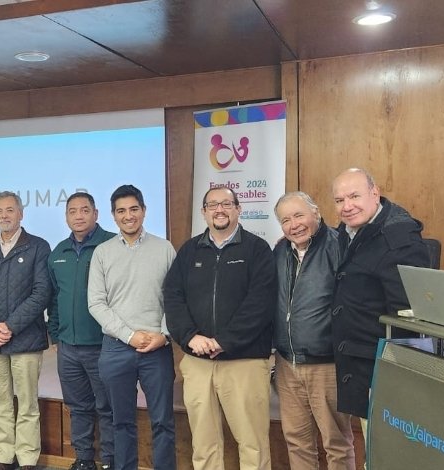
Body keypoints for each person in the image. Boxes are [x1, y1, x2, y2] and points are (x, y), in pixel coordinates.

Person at [163, 186, 276, 470]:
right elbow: (173, 298)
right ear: (204, 212)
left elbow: (260, 303)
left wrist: (225, 341)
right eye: (212, 205)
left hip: (244, 362)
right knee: (204, 444)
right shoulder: (189, 251)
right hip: (198, 362)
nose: (219, 210)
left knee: (252, 443)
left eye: (226, 204)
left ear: (238, 209)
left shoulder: (257, 249)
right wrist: (190, 337)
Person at [87, 184, 176, 470]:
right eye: (121, 211)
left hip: (157, 348)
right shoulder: (102, 253)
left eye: (134, 209)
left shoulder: (164, 248)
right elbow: (96, 303)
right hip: (116, 349)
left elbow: (176, 298)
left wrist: (164, 335)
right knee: (121, 421)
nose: (129, 216)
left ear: (144, 211)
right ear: (113, 215)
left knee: (163, 421)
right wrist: (129, 336)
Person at [330, 168, 429, 423]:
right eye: (339, 200)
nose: (347, 206)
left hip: (384, 370)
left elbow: (407, 318)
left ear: (375, 193)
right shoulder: (349, 231)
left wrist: (399, 382)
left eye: (354, 196)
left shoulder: (400, 239)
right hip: (357, 360)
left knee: (387, 442)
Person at [0, 191, 52, 470]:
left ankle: (27, 458)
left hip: (26, 339)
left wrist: (10, 325)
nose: (4, 215)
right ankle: (4, 456)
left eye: (10, 210)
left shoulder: (38, 247)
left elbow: (41, 293)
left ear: (21, 214)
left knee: (27, 403)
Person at [272, 191, 355, 470]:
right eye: (286, 220)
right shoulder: (280, 251)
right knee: (297, 441)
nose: (293, 225)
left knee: (336, 443)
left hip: (326, 364)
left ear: (316, 213)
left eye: (299, 215)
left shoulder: (339, 247)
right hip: (287, 363)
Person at [47, 192, 115, 470]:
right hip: (68, 348)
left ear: (95, 214)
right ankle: (84, 459)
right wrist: (55, 334)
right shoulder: (58, 252)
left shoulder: (111, 245)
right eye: (72, 211)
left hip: (104, 345)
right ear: (66, 217)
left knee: (108, 407)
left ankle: (110, 460)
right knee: (78, 407)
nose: (79, 216)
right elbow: (54, 298)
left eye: (85, 210)